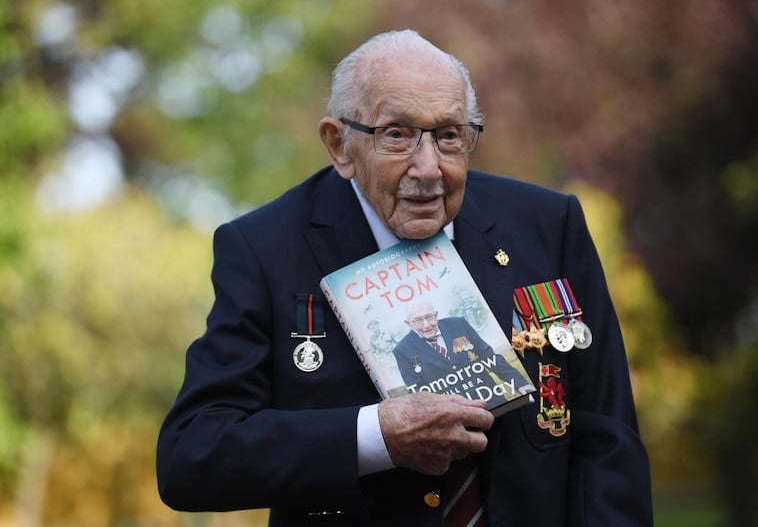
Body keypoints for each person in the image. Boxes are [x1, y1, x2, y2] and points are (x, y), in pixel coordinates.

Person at [157, 29, 653, 526]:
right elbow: (192, 454)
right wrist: (374, 436)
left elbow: (607, 440)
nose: (429, 167)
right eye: (396, 134)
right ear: (340, 145)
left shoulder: (548, 225)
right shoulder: (265, 248)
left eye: (449, 135)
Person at [392, 301, 533, 400]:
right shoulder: (402, 350)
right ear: (408, 323)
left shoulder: (458, 324)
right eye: (417, 320)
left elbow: (488, 357)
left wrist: (520, 383)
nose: (426, 325)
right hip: (454, 413)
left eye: (429, 317)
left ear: (436, 315)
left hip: (490, 397)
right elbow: (417, 390)